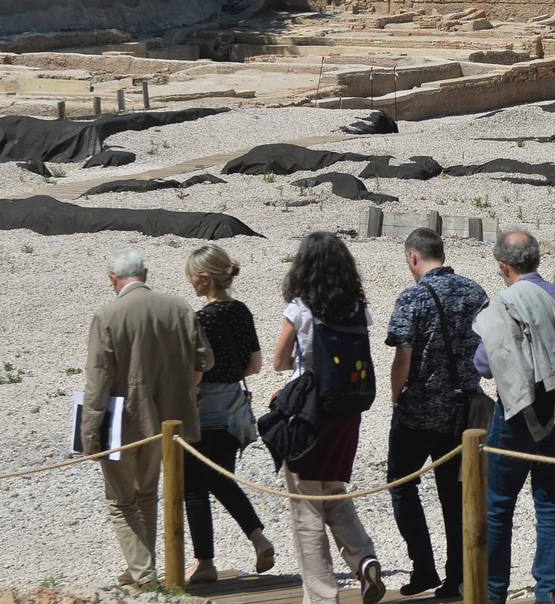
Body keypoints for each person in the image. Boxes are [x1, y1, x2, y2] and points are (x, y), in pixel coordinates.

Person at [84, 248, 214, 588]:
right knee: (146, 494)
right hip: (169, 424)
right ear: (146, 273)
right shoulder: (179, 308)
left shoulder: (107, 315)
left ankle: (144, 573)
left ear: (113, 279)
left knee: (120, 501)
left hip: (123, 422)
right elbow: (204, 362)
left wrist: (89, 433)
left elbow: (98, 380)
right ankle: (143, 567)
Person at [273, 232, 385, 604]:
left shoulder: (301, 308)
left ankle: (322, 597)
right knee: (334, 491)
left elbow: (279, 361)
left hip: (310, 413)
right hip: (347, 413)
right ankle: (364, 559)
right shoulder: (357, 306)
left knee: (306, 506)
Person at [474, 231, 555, 604]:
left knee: (500, 503)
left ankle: (495, 591)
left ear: (503, 266)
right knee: (549, 501)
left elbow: (484, 365)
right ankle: (547, 591)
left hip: (517, 411)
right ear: (537, 259)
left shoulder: (502, 304)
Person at [386, 229, 488, 598]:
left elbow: (402, 358)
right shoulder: (476, 292)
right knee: (454, 493)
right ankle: (457, 577)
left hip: (419, 409)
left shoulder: (412, 297)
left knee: (401, 484)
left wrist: (396, 397)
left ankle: (423, 567)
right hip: (463, 411)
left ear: (414, 257)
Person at [182, 244, 274, 585]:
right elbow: (255, 365)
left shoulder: (200, 318)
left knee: (193, 487)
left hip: (205, 409)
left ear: (204, 280)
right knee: (222, 480)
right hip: (235, 407)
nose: (191, 284)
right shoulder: (242, 311)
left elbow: (197, 372)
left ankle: (205, 563)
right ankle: (258, 537)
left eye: (192, 278)